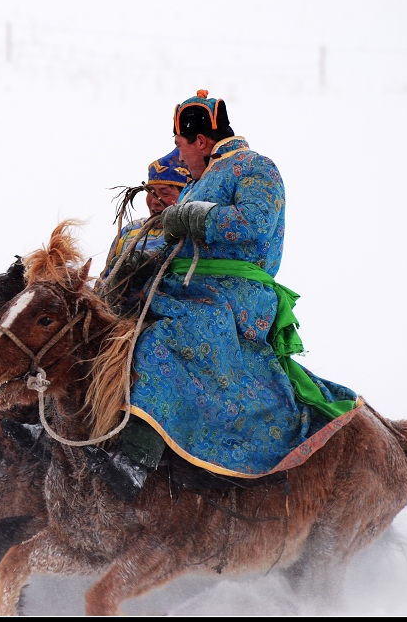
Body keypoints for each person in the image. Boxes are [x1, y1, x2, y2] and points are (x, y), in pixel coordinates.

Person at [92, 91, 357, 498]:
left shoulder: (256, 167)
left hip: (232, 294)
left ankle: (135, 462)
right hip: (191, 289)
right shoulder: (200, 181)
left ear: (201, 141)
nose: (180, 159)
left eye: (182, 147)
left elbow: (255, 223)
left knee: (161, 339)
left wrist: (194, 215)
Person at [97, 148, 190, 314]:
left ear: (185, 196)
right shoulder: (129, 232)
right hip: (119, 316)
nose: (154, 201)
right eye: (151, 192)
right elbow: (106, 280)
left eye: (165, 193)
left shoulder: (190, 236)